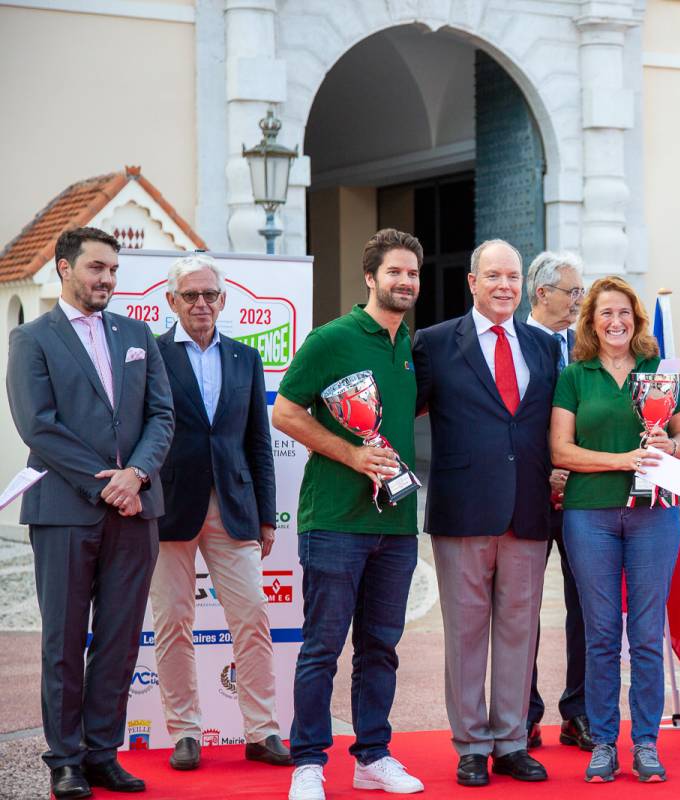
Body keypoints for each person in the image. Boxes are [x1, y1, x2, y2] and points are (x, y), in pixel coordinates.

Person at [6, 227, 174, 798]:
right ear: (64, 268)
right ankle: (66, 759)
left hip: (137, 509)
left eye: (113, 270)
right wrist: (106, 484)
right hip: (64, 511)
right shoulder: (32, 339)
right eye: (97, 268)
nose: (107, 279)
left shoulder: (137, 333)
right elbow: (38, 426)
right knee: (64, 638)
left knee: (121, 639)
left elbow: (162, 415)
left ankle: (103, 753)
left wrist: (138, 475)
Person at [273, 229, 426, 799]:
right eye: (394, 272)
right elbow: (285, 412)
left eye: (412, 273)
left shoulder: (412, 346)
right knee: (322, 647)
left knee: (380, 647)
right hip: (334, 520)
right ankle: (308, 763)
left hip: (396, 524)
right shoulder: (331, 338)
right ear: (370, 277)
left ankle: (372, 756)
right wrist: (352, 454)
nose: (405, 281)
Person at [412, 239, 560, 787]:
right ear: (471, 283)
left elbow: (549, 424)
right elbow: (404, 410)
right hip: (462, 510)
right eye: (494, 276)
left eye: (514, 277)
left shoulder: (543, 348)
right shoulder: (432, 343)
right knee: (467, 633)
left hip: (527, 509)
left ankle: (512, 741)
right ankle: (471, 744)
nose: (505, 286)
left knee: (521, 632)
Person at [150, 254, 289, 771]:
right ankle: (185, 732)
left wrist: (267, 516)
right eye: (191, 296)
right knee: (173, 623)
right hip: (167, 507)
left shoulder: (244, 358)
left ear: (223, 300)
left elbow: (259, 441)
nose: (202, 303)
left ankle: (262, 730)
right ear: (172, 301)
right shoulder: (152, 354)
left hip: (234, 506)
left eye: (210, 295)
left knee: (252, 616)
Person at [550, 275, 680, 783]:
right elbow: (560, 451)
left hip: (655, 514)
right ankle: (605, 742)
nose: (616, 321)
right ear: (590, 321)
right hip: (589, 515)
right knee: (603, 633)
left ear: (637, 320)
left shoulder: (660, 369)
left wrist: (668, 447)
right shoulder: (575, 375)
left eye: (625, 313)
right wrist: (622, 459)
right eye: (606, 313)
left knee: (648, 634)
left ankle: (647, 743)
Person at [523, 250, 593, 752]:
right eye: (573, 292)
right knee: (519, 609)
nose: (579, 301)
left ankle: (580, 712)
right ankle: (519, 713)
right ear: (542, 293)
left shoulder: (585, 348)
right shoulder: (511, 343)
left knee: (588, 606)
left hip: (584, 497)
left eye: (581, 292)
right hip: (525, 495)